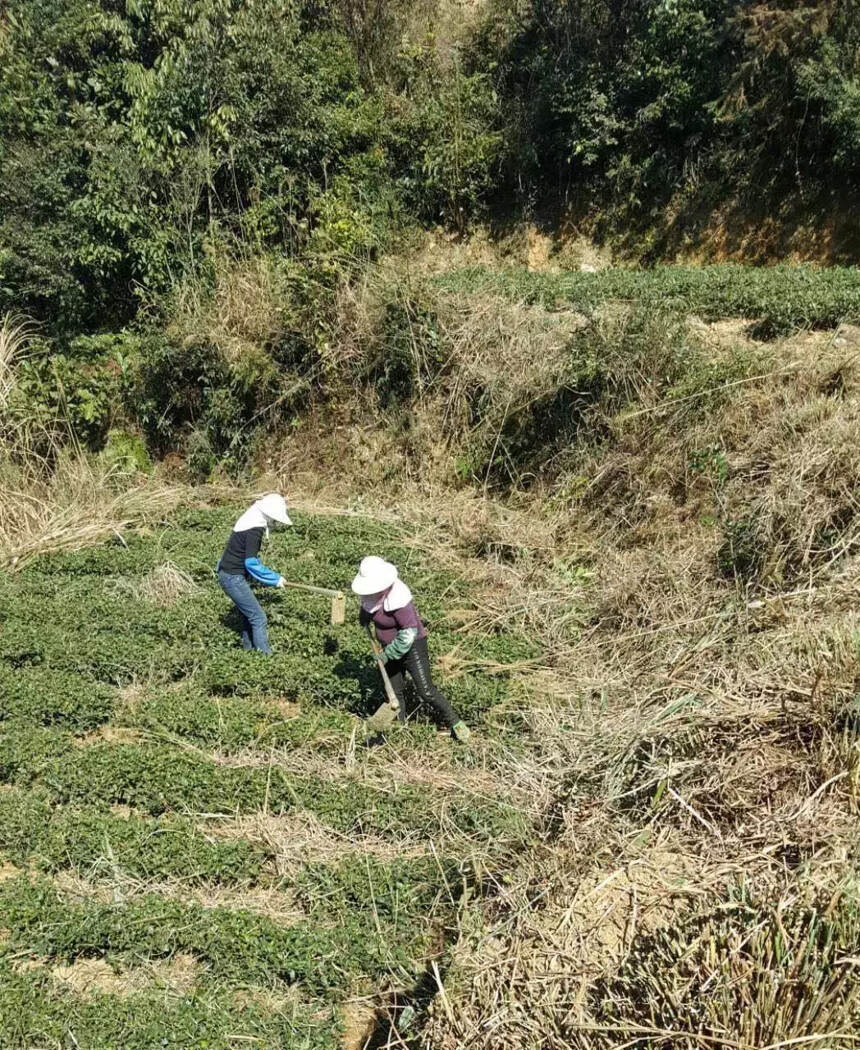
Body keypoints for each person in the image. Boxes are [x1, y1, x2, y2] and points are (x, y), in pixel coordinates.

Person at [351, 556, 471, 742]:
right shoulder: (371, 595)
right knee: (394, 692)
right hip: (387, 648)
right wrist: (364, 617)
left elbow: (408, 635)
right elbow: (368, 608)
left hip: (412, 647)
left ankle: (456, 723)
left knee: (426, 691)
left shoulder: (399, 599)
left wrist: (387, 655)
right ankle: (401, 729)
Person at [217, 493, 292, 654]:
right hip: (232, 578)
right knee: (259, 618)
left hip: (228, 573)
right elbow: (250, 563)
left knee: (248, 615)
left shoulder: (250, 517)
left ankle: (249, 652)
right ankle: (266, 659)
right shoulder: (254, 529)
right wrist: (275, 579)